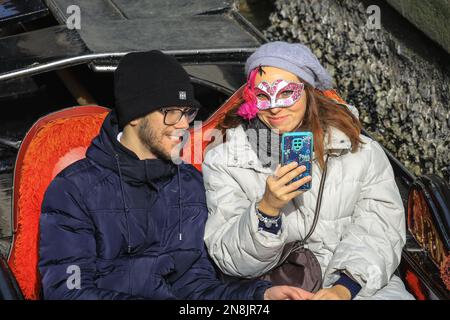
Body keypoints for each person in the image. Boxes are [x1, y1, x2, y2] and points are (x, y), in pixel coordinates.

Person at [38, 50, 310, 300]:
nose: (183, 124)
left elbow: (198, 288)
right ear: (134, 115)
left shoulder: (188, 182)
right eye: (170, 112)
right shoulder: (73, 191)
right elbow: (68, 292)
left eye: (187, 112)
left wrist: (260, 297)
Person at [202, 41, 415, 300]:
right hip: (276, 287)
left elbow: (380, 229)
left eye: (286, 93)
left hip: (360, 283)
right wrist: (267, 211)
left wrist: (344, 288)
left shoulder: (360, 150)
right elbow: (230, 260)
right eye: (262, 95)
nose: (275, 106)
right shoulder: (224, 159)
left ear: (308, 91)